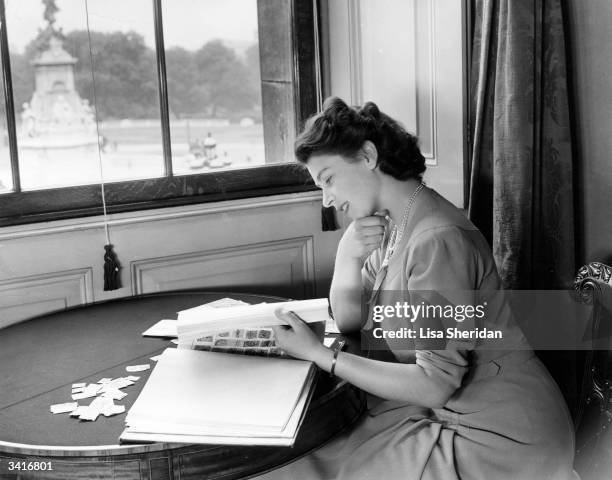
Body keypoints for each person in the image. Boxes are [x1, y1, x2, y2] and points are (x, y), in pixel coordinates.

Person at [257, 97, 575, 480]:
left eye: (328, 179)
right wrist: (347, 256)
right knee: (306, 458)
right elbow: (350, 320)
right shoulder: (397, 224)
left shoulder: (436, 240)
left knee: (311, 468)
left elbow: (434, 385)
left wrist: (320, 355)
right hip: (456, 414)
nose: (327, 199)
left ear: (368, 156)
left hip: (504, 438)